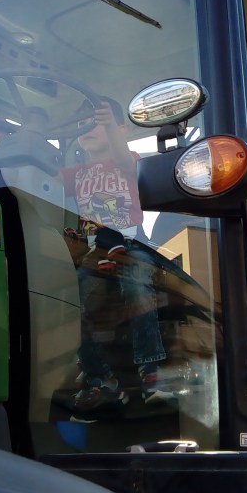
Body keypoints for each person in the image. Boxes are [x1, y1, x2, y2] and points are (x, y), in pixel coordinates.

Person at [62, 97, 175, 412]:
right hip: (94, 252)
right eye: (82, 123)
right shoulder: (74, 174)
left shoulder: (128, 160)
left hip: (131, 245)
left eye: (97, 121)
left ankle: (150, 370)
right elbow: (39, 176)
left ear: (121, 129)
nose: (88, 126)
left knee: (137, 285)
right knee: (76, 301)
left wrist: (108, 125)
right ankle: (100, 378)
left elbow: (125, 159)